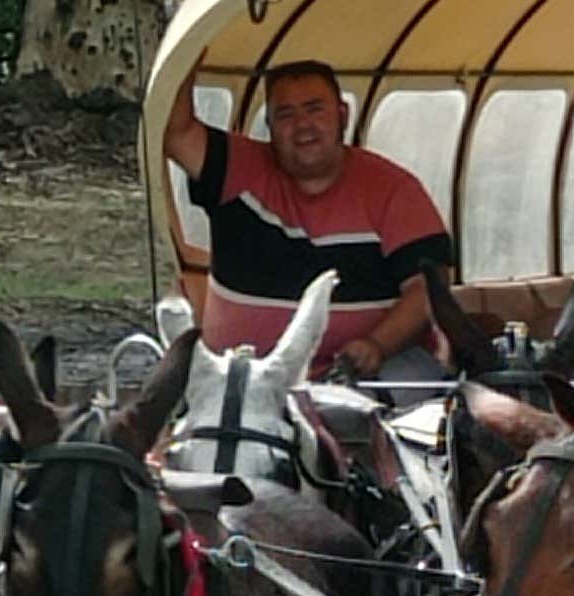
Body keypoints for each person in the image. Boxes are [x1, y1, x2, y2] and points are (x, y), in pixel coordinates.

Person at [163, 59, 458, 381]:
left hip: (365, 377)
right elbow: (177, 134)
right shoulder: (237, 167)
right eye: (285, 115)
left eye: (315, 109)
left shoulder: (395, 190)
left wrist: (377, 345)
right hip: (237, 382)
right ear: (270, 126)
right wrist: (190, 41)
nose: (302, 125)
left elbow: (428, 288)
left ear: (343, 115)